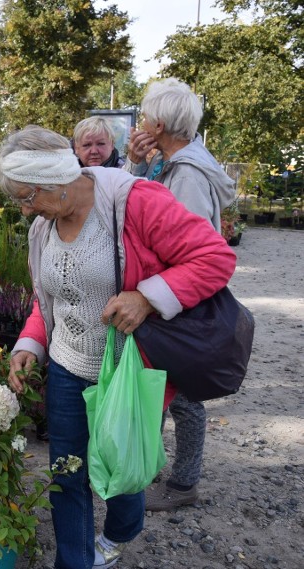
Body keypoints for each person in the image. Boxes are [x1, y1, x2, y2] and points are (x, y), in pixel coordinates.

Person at [0, 125, 236, 569]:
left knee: (123, 471)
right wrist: (30, 343)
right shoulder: (41, 230)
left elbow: (216, 257)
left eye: (29, 197)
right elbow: (50, 295)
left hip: (127, 368)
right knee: (67, 473)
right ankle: (75, 562)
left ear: (57, 181)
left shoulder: (133, 203)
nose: (26, 209)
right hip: (67, 366)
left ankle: (123, 528)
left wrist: (147, 297)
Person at [124, 78, 236, 512]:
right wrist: (136, 164)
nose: (142, 122)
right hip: (166, 296)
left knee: (183, 394)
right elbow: (134, 203)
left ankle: (182, 484)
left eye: (147, 115)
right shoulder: (171, 163)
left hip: (178, 300)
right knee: (167, 389)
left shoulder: (186, 173)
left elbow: (192, 249)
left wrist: (153, 296)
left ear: (162, 122)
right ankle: (157, 472)